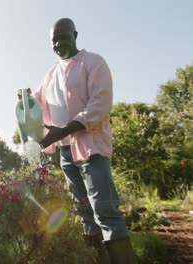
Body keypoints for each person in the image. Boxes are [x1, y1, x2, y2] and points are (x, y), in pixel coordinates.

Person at [33, 18, 137, 264]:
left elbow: (99, 105)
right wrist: (24, 101)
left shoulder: (93, 63)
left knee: (106, 212)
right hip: (66, 154)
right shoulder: (50, 75)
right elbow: (35, 103)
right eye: (54, 40)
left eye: (63, 36)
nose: (59, 43)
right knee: (86, 216)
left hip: (91, 150)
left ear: (75, 34)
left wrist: (66, 129)